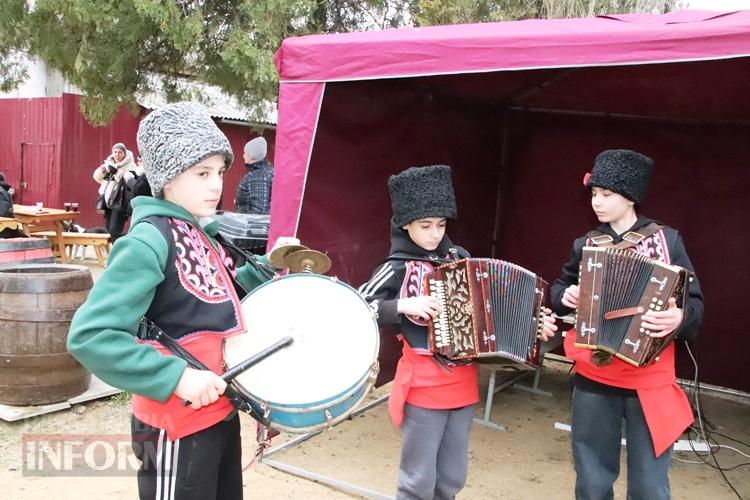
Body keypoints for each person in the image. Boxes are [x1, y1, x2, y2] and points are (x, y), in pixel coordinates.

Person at [68, 102, 295, 500]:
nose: (216, 185)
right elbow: (90, 336)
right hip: (174, 421)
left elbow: (212, 300)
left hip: (219, 410)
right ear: (167, 179)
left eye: (220, 172)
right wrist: (177, 377)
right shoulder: (146, 242)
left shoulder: (201, 232)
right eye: (202, 173)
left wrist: (265, 266)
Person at [358, 165, 556, 500]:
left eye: (441, 224)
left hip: (463, 386)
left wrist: (533, 325)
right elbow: (355, 306)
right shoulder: (394, 267)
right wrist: (401, 306)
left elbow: (492, 312)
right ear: (406, 224)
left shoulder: (460, 258)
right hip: (423, 385)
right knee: (417, 480)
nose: (435, 233)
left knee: (452, 476)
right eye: (425, 226)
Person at [549, 149, 704, 500]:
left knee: (649, 486)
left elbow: (695, 303)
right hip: (594, 378)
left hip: (649, 381)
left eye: (606, 194)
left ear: (630, 197)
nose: (597, 202)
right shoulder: (586, 244)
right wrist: (566, 296)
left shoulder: (668, 241)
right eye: (593, 194)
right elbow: (558, 289)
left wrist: (679, 317)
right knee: (591, 481)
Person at [93, 142, 141, 242]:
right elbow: (97, 178)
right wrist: (103, 170)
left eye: (120, 152)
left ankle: (126, 247)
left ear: (124, 153)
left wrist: (116, 171)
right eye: (115, 152)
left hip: (120, 202)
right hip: (108, 201)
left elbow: (128, 181)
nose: (117, 155)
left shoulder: (130, 166)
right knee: (110, 230)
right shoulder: (109, 163)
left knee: (115, 231)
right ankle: (120, 249)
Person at [234, 136, 273, 214]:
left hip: (248, 224)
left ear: (251, 155)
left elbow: (259, 211)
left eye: (246, 153)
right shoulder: (265, 171)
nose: (243, 155)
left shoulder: (258, 176)